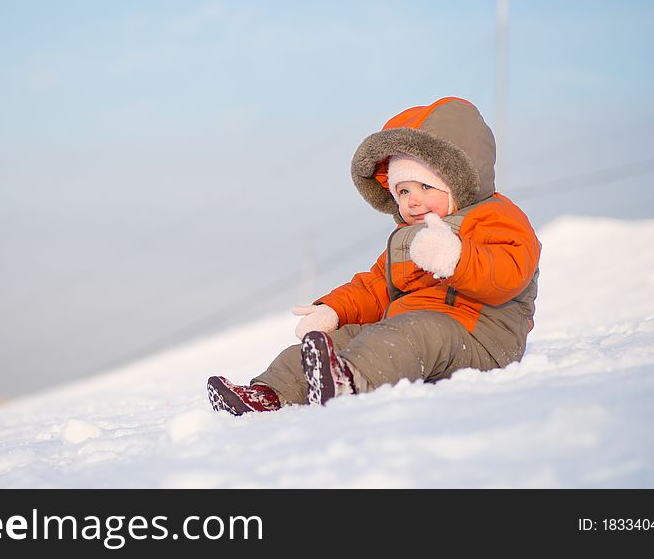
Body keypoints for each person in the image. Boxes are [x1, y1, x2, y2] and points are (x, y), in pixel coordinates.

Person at [207, 97, 541, 415]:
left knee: (410, 334)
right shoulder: (409, 239)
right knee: (345, 340)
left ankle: (349, 382)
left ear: (457, 182)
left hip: (480, 338)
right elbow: (374, 286)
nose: (412, 201)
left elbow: (510, 273)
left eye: (425, 187)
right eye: (403, 190)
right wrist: (335, 309)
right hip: (409, 331)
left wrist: (457, 258)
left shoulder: (496, 217)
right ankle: (270, 393)